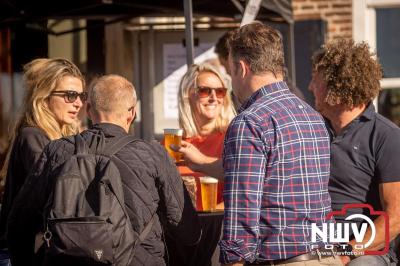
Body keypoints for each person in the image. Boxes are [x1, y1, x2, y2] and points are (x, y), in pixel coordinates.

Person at [6, 74, 201, 266]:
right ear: (132, 112)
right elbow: (188, 230)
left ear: (89, 109)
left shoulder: (58, 150)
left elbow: (19, 223)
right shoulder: (153, 153)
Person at [218, 21, 340, 265]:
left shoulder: (249, 122)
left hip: (285, 260)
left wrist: (233, 260)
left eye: (231, 72)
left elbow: (242, 215)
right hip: (329, 256)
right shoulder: (313, 116)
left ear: (242, 68)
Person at [309, 39, 400, 266]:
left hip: (366, 253)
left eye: (315, 80)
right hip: (313, 247)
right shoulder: (310, 132)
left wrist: (345, 253)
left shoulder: (386, 136)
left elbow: (395, 218)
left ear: (337, 86)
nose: (310, 87)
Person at [0, 58, 85, 265]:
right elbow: (57, 191)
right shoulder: (33, 137)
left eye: (81, 96)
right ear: (44, 97)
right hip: (24, 253)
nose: (79, 103)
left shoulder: (56, 137)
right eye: (70, 95)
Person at [177, 63, 235, 210]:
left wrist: (208, 220)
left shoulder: (234, 138)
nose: (214, 98)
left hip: (219, 226)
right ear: (187, 95)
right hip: (181, 229)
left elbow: (245, 189)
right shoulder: (173, 143)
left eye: (220, 91)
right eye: (204, 91)